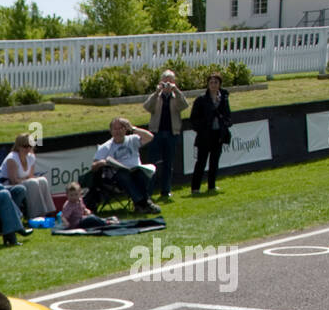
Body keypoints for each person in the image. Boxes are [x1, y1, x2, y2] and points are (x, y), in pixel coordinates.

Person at [90, 117, 161, 214]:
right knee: (123, 174)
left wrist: (133, 128)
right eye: (115, 129)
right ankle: (143, 203)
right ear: (111, 131)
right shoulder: (105, 147)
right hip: (117, 179)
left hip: (136, 172)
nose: (118, 131)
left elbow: (150, 137)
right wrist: (101, 163)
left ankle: (141, 205)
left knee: (142, 173)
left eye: (121, 128)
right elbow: (93, 166)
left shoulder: (132, 139)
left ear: (125, 130)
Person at [141, 69, 188, 201]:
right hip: (156, 133)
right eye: (165, 80)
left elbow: (184, 106)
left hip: (172, 133)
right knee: (152, 164)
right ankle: (148, 191)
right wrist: (157, 92)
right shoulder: (157, 96)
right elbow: (147, 106)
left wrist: (176, 90)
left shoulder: (175, 96)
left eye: (170, 80)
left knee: (168, 163)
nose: (168, 83)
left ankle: (165, 190)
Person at [188, 72, 232, 196]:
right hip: (204, 135)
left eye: (216, 82)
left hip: (218, 134)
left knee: (214, 161)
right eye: (211, 82)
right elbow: (193, 119)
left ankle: (211, 186)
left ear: (219, 85)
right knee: (201, 162)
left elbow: (228, 114)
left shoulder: (223, 98)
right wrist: (202, 128)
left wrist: (225, 123)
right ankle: (195, 188)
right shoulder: (201, 99)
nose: (213, 85)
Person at [0, 133, 56, 220]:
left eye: (30, 146)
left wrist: (27, 179)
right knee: (32, 183)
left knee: (42, 180)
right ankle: (35, 215)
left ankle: (50, 212)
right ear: (18, 146)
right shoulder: (12, 158)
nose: (28, 148)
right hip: (8, 185)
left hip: (22, 182)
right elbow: (13, 180)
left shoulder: (31, 157)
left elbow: (30, 176)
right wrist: (27, 180)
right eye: (25, 146)